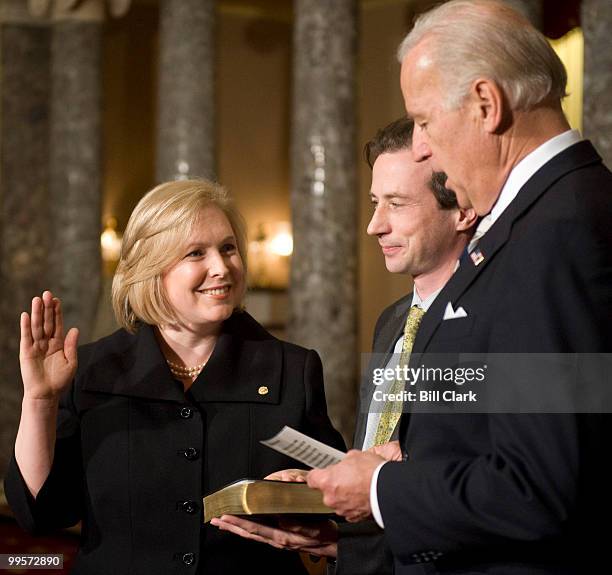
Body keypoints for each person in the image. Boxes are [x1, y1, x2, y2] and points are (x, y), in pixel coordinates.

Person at [306, 1, 612, 574]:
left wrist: (380, 489)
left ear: (485, 105)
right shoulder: (552, 215)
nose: (421, 147)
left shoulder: (551, 234)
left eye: (423, 121)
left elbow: (538, 487)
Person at [4, 179, 345, 575]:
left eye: (228, 248)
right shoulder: (92, 372)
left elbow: (340, 499)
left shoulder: (291, 370)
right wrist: (40, 402)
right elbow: (41, 514)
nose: (221, 267)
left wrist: (308, 492)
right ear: (151, 269)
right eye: (195, 252)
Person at [211, 118, 477, 574]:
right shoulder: (393, 321)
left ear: (461, 210)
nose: (374, 225)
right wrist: (321, 496)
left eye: (396, 204)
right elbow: (378, 464)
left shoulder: (495, 320)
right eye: (376, 202)